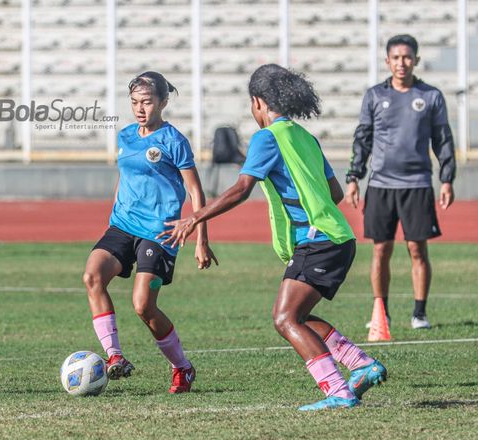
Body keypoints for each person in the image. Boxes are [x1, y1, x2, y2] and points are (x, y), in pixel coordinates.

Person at [160, 64, 387, 411]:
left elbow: (240, 189)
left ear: (259, 102)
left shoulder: (267, 137)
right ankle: (361, 364)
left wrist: (194, 217)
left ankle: (338, 390)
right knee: (299, 316)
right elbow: (335, 192)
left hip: (319, 240)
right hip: (337, 237)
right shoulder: (304, 136)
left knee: (284, 318)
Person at [82, 71, 217, 394]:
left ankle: (182, 368)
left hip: (159, 232)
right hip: (122, 225)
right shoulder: (126, 136)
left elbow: (196, 192)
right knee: (92, 277)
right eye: (134, 102)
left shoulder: (174, 141)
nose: (140, 108)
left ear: (163, 102)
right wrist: (114, 213)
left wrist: (201, 238)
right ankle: (115, 356)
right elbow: (125, 177)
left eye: (147, 102)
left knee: (143, 305)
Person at [345, 35, 456, 330]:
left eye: (407, 57)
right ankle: (381, 312)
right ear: (387, 61)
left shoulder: (430, 96)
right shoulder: (374, 96)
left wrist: (447, 179)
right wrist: (354, 176)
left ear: (416, 60)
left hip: (417, 184)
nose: (401, 63)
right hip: (381, 185)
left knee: (417, 249)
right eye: (395, 58)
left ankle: (420, 313)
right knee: (381, 249)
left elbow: (442, 140)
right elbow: (363, 139)